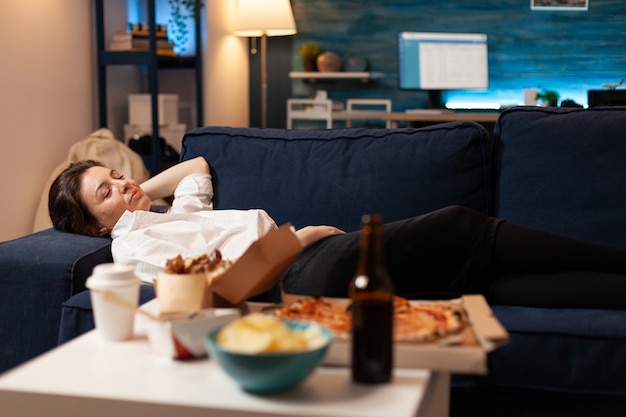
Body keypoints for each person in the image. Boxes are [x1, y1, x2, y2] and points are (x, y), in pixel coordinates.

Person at [49, 157, 626, 310]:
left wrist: (134, 194)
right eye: (106, 192)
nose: (122, 185)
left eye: (117, 174)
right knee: (457, 225)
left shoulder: (159, 215)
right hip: (294, 275)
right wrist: (293, 244)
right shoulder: (133, 246)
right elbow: (216, 292)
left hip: (307, 258)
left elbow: (197, 165)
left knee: (483, 284)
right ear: (93, 227)